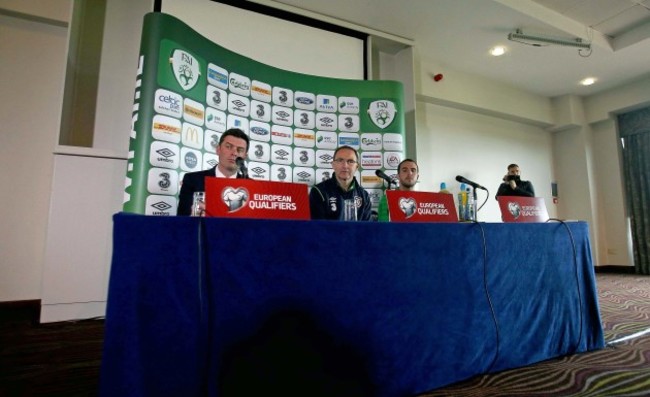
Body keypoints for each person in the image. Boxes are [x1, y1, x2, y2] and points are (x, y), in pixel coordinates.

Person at [177, 128, 250, 215]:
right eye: (229, 147)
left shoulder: (251, 186)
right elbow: (183, 218)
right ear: (218, 149)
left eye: (240, 150)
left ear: (245, 156)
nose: (234, 153)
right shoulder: (192, 180)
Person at [309, 146, 372, 221]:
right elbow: (318, 228)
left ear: (357, 167)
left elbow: (367, 229)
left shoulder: (364, 195)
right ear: (333, 164)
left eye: (350, 161)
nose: (345, 166)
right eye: (340, 160)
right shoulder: (319, 191)